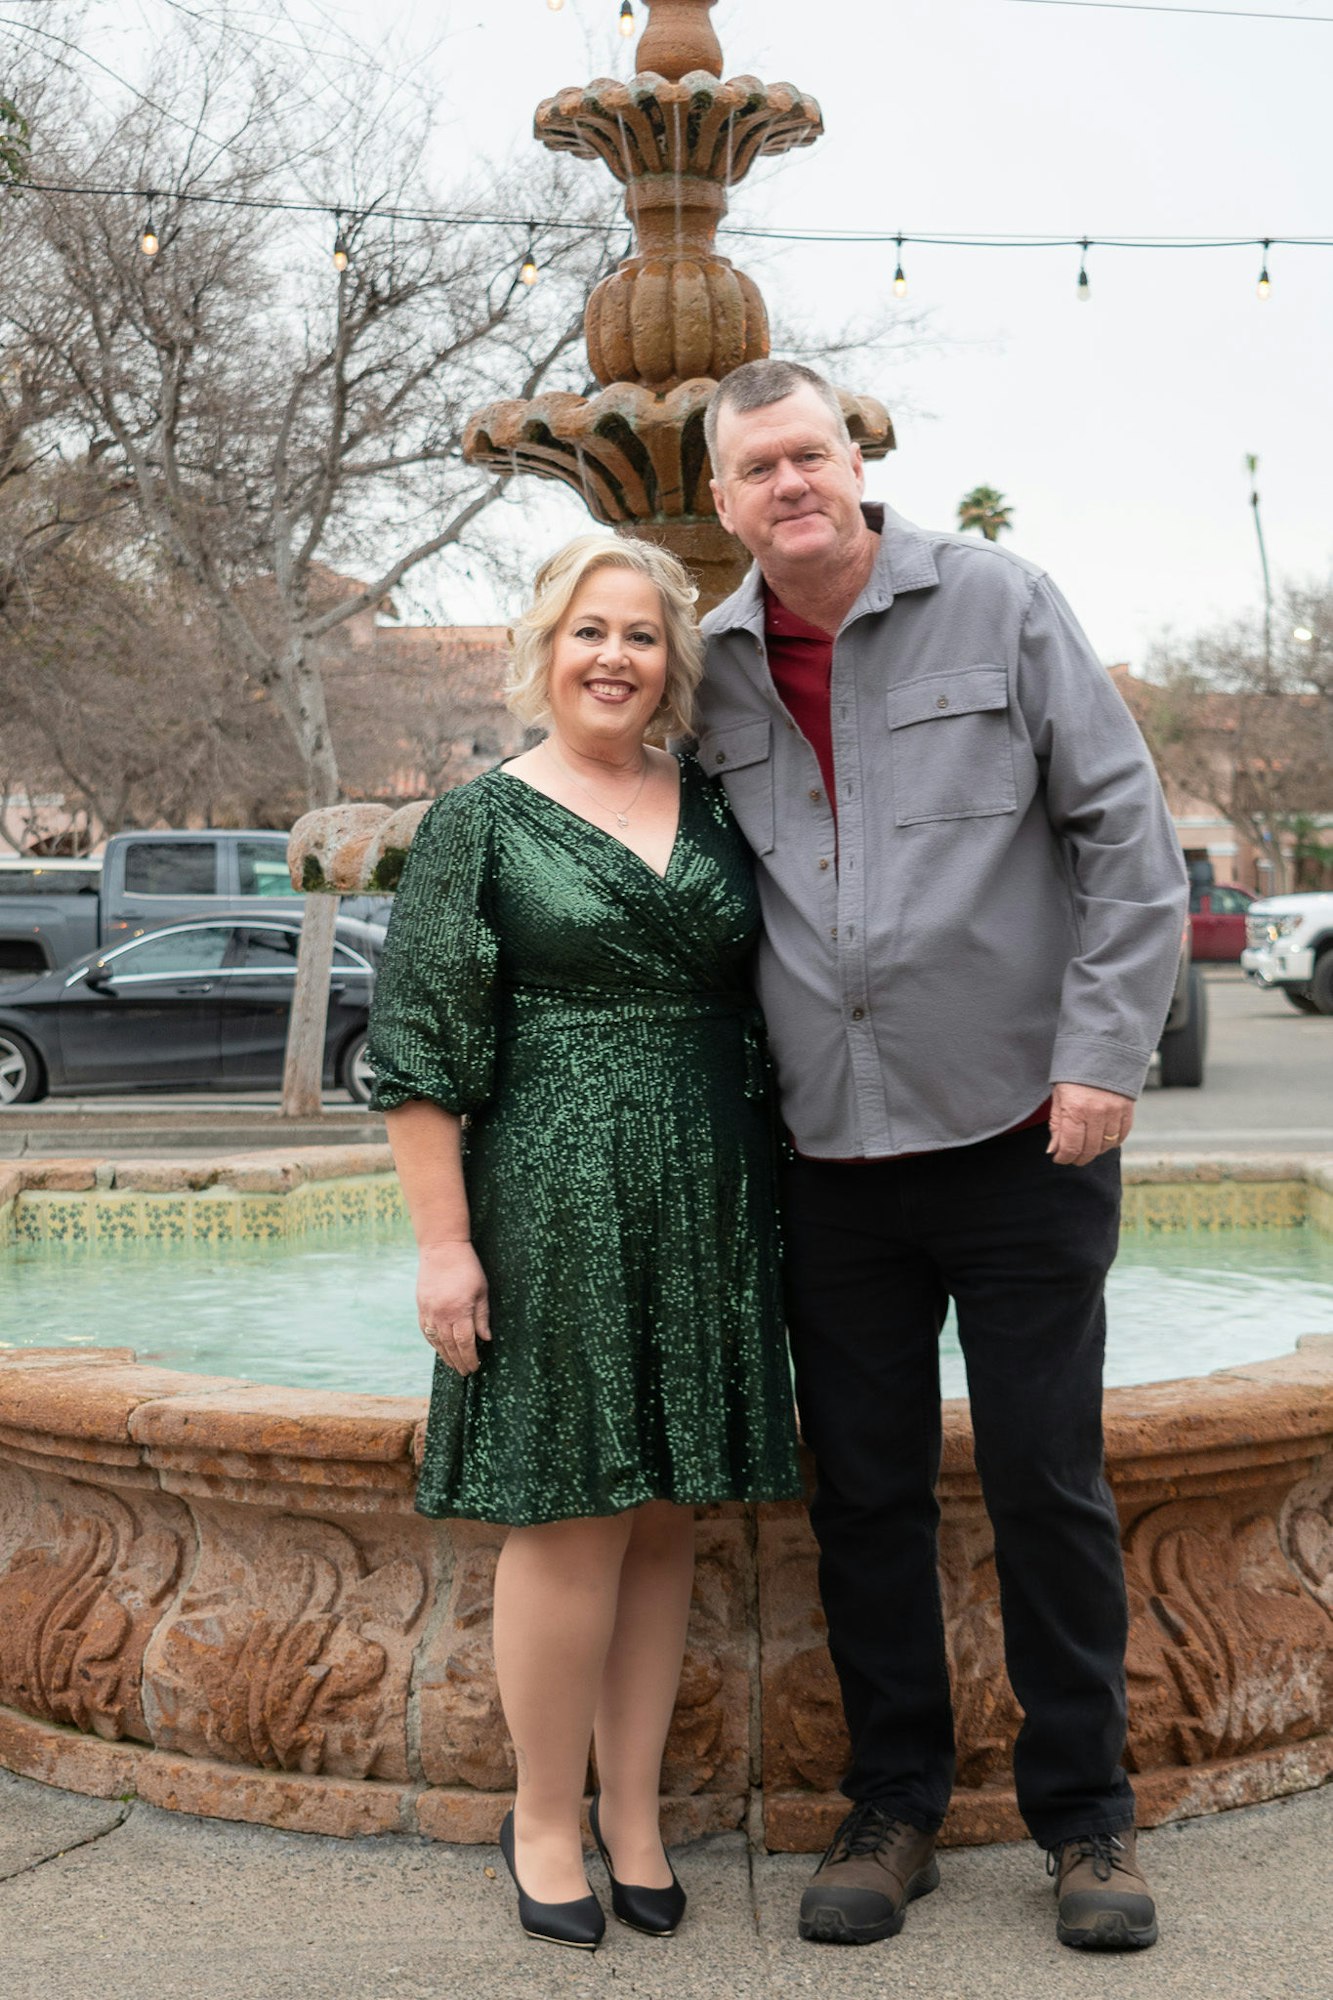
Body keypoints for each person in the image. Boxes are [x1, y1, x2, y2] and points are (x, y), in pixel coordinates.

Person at [697, 359, 1188, 1955]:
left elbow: (1128, 839)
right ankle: (893, 1800)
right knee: (866, 1493)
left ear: (857, 463)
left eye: (810, 453)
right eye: (756, 467)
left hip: (1019, 1133)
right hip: (824, 1154)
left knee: (1047, 1478)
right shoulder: (706, 666)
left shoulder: (999, 602)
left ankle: (1086, 1817)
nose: (790, 484)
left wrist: (1102, 1060)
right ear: (721, 502)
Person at [367, 533, 801, 1953]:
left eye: (640, 634)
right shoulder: (477, 823)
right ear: (543, 651)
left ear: (673, 661)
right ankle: (542, 1816)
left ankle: (631, 1815)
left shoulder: (720, 806)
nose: (614, 656)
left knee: (666, 1510)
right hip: (547, 1200)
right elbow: (421, 1059)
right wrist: (446, 1250)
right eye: (587, 632)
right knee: (565, 1514)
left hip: (710, 1194)